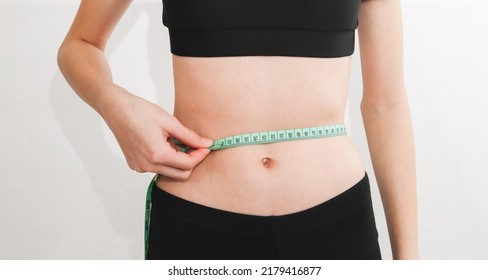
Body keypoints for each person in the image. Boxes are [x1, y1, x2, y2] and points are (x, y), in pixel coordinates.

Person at [58, 0, 418, 260]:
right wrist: (117, 107)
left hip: (337, 224)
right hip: (198, 226)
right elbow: (80, 44)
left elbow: (385, 104)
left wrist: (410, 262)